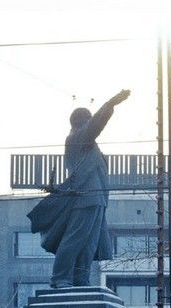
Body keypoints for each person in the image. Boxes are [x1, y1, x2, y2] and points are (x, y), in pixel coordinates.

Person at [50, 89, 131, 289]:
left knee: (89, 244)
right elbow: (96, 124)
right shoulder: (77, 138)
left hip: (97, 199)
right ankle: (60, 278)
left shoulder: (88, 143)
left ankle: (81, 279)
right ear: (79, 122)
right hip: (85, 197)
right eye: (87, 119)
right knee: (75, 238)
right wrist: (110, 104)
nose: (90, 122)